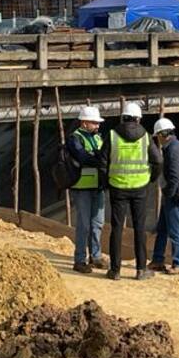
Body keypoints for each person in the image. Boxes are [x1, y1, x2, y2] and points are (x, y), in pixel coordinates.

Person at [102, 101, 162, 281]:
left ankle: (115, 270)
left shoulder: (112, 135)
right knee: (139, 228)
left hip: (117, 187)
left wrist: (107, 182)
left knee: (117, 228)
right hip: (140, 188)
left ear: (123, 117)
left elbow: (102, 162)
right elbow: (158, 161)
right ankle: (141, 270)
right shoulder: (145, 136)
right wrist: (151, 178)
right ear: (138, 118)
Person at [148, 117, 179, 275]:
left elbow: (175, 176)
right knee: (162, 228)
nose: (157, 140)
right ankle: (157, 260)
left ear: (163, 134)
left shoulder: (174, 149)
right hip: (175, 193)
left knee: (175, 230)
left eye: (157, 136)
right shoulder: (172, 147)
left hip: (177, 194)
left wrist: (168, 193)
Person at [67, 105, 109, 274]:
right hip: (82, 187)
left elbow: (101, 156)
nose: (97, 126)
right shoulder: (74, 138)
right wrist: (99, 158)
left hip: (97, 186)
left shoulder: (98, 138)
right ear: (84, 122)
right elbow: (83, 157)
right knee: (83, 225)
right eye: (94, 122)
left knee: (97, 223)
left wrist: (97, 157)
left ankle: (96, 256)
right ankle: (79, 260)